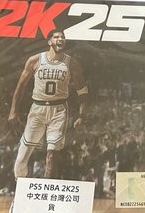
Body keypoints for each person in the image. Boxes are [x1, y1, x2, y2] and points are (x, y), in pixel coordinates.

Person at [8, 29, 87, 180]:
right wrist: (13, 110)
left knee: (52, 153)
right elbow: (20, 87)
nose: (60, 39)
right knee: (23, 154)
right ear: (49, 41)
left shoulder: (72, 63)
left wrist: (82, 114)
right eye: (56, 37)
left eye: (63, 37)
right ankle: (19, 185)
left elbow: (82, 90)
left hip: (59, 110)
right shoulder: (35, 60)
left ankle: (47, 185)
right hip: (37, 108)